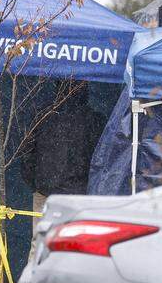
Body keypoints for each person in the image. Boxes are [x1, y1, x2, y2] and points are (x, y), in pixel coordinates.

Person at [21, 83, 106, 212]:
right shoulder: (95, 120)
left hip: (47, 192)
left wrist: (36, 184)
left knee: (46, 231)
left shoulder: (42, 116)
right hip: (81, 195)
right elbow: (103, 160)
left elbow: (27, 153)